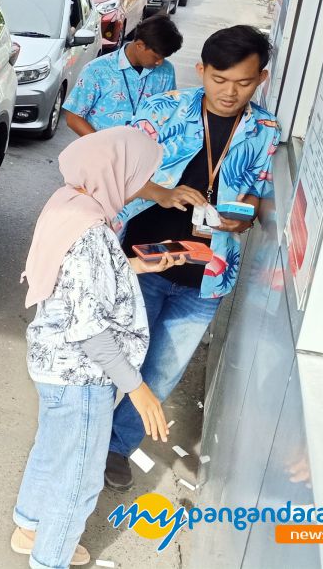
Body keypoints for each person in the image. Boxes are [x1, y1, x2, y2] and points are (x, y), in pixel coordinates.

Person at [103, 25, 280, 491]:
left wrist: (242, 218)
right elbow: (112, 169)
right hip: (140, 260)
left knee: (161, 370)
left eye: (242, 83)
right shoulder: (165, 111)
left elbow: (257, 197)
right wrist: (160, 192)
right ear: (201, 71)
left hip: (206, 276)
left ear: (260, 79)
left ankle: (116, 448)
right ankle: (83, 434)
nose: (229, 92)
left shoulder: (265, 131)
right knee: (110, 356)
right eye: (219, 80)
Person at [13, 127, 180, 569]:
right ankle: (52, 557)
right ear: (114, 172)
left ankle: (29, 527)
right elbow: (90, 327)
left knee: (52, 447)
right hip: (82, 375)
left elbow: (78, 276)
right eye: (136, 176)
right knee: (80, 477)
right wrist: (137, 387)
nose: (140, 186)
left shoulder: (69, 203)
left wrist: (136, 266)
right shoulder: (92, 231)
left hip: (52, 361)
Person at [63, 15, 183, 136]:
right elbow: (73, 117)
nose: (160, 62)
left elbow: (169, 111)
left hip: (145, 151)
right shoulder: (96, 70)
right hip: (103, 151)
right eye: (157, 57)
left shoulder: (166, 71)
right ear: (140, 45)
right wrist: (104, 146)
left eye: (164, 58)